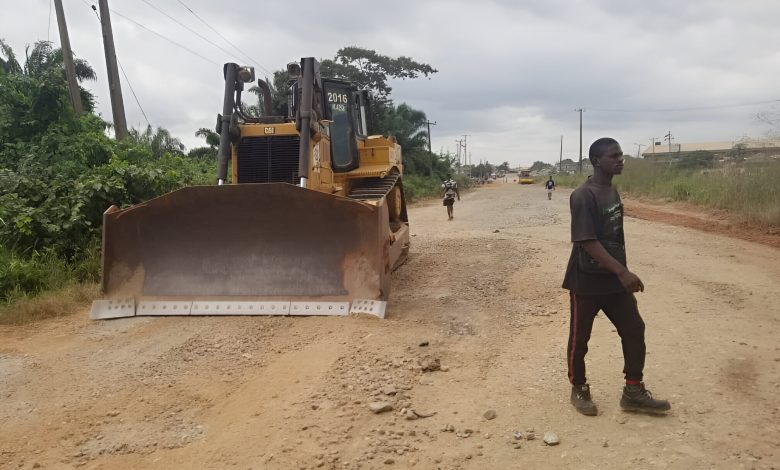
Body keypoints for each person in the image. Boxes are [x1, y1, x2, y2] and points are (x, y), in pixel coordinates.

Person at [562, 137, 670, 416]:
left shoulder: (611, 189)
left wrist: (619, 271)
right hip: (586, 281)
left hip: (612, 279)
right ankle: (579, 388)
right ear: (597, 161)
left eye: (621, 155)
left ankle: (633, 391)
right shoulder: (583, 195)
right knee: (580, 339)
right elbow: (586, 240)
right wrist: (623, 271)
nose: (620, 160)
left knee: (634, 329)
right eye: (614, 156)